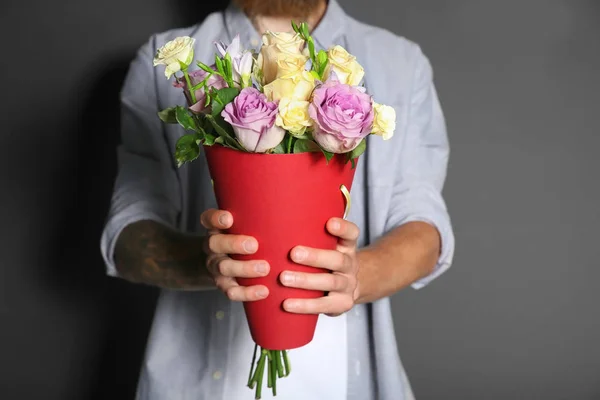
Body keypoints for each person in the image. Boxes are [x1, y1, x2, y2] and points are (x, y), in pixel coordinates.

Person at [100, 0, 455, 398]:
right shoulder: (164, 60)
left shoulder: (401, 63)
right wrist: (207, 261)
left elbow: (425, 227)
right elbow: (126, 236)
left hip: (347, 382)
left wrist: (354, 276)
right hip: (198, 380)